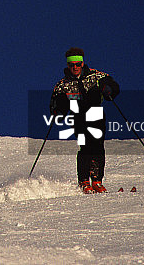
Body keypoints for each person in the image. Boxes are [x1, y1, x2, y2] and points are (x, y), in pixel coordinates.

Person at [50, 47, 120, 193]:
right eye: (71, 65)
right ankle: (84, 181)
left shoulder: (96, 76)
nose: (75, 67)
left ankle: (96, 180)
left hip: (95, 113)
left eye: (77, 64)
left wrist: (108, 89)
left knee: (97, 145)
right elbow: (55, 103)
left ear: (82, 63)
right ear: (68, 66)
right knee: (85, 146)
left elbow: (112, 84)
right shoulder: (63, 84)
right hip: (78, 115)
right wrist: (58, 109)